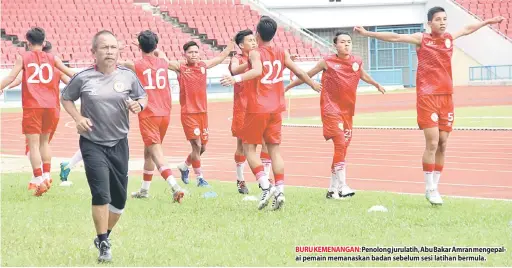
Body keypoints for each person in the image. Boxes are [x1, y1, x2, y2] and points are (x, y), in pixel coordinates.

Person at [354, 7, 505, 205]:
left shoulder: (450, 38)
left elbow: (467, 29)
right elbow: (395, 38)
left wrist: (487, 21)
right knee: (432, 142)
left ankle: (436, 185)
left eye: (445, 19)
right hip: (427, 97)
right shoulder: (422, 39)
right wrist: (367, 33)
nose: (442, 22)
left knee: (443, 142)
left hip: (446, 97)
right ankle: (429, 187)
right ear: (429, 23)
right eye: (438, 19)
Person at [61, 30, 148, 263]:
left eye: (113, 47)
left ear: (119, 51)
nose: (109, 52)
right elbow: (66, 97)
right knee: (101, 193)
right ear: (94, 52)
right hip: (92, 143)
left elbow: (142, 96)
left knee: (119, 201)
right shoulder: (83, 77)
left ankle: (103, 236)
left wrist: (139, 106)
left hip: (119, 142)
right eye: (104, 47)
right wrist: (78, 118)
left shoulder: (128, 76)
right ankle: (104, 244)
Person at [221, 16, 321, 210]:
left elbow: (257, 70)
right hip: (277, 108)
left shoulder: (255, 53)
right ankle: (280, 190)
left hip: (258, 107)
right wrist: (312, 83)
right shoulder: (281, 52)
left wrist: (236, 79)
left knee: (249, 148)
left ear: (257, 34)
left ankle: (266, 187)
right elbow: (299, 72)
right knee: (274, 150)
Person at [285, 31, 386, 199]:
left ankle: (332, 190)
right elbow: (306, 75)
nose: (346, 44)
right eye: (343, 42)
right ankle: (343, 185)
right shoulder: (327, 62)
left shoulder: (356, 62)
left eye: (349, 42)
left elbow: (362, 74)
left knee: (342, 148)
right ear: (335, 45)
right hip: (330, 109)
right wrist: (288, 87)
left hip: (347, 111)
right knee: (340, 142)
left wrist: (375, 84)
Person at [0, 27, 75, 196]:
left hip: (33, 105)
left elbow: (12, 77)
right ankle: (47, 176)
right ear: (44, 41)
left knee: (33, 145)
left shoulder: (23, 57)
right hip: (51, 106)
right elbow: (70, 74)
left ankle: (39, 179)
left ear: (28, 42)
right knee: (45, 143)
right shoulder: (53, 58)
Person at [153, 40, 235, 187]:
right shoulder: (180, 67)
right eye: (190, 52)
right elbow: (163, 60)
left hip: (203, 113)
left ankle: (185, 166)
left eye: (196, 52)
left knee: (202, 147)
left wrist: (231, 43)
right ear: (185, 54)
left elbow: (220, 58)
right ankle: (200, 179)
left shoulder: (203, 65)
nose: (194, 54)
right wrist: (155, 49)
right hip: (188, 113)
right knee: (196, 145)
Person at [117, 30, 185, 202]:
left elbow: (114, 63)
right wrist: (150, 45)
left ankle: (175, 186)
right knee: (148, 152)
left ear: (139, 46)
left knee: (155, 151)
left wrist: (119, 48)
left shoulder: (136, 64)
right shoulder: (163, 61)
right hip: (165, 112)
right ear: (156, 45)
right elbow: (162, 55)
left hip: (148, 112)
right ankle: (144, 190)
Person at [229, 29, 273, 194]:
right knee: (242, 145)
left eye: (255, 40)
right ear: (241, 45)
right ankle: (240, 180)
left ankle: (266, 178)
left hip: (259, 106)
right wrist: (251, 62)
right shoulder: (237, 58)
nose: (254, 43)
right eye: (250, 41)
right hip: (242, 108)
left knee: (266, 143)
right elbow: (234, 70)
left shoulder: (260, 57)